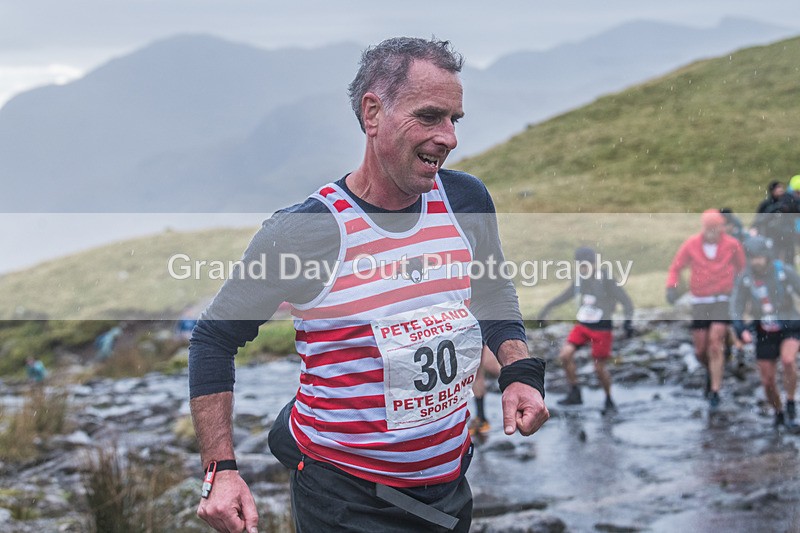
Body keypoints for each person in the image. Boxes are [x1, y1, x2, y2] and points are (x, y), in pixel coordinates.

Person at [188, 37, 549, 533]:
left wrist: (519, 369)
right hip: (344, 498)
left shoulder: (466, 198)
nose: (448, 137)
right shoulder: (306, 232)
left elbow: (490, 289)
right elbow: (214, 339)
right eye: (428, 117)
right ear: (373, 112)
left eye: (453, 119)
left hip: (448, 485)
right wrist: (220, 471)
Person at [537, 247, 634, 414]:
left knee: (599, 367)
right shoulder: (579, 281)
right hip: (583, 326)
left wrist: (628, 323)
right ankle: (575, 393)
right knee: (565, 355)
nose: (584, 268)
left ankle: (609, 399)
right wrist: (546, 309)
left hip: (602, 329)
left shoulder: (607, 280)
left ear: (595, 263)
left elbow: (626, 301)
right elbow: (564, 296)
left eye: (587, 265)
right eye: (581, 265)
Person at [666, 209, 746, 411]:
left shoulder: (732, 245)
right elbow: (676, 266)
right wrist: (672, 286)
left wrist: (741, 294)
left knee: (714, 343)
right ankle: (711, 370)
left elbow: (742, 269)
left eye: (716, 227)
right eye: (708, 227)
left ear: (721, 227)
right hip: (700, 301)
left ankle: (715, 391)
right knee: (700, 350)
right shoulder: (692, 244)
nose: (712, 231)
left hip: (722, 299)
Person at [730, 236, 799, 430]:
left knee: (787, 360)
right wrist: (739, 326)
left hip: (789, 326)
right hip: (763, 330)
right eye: (752, 258)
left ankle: (791, 403)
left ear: (766, 256)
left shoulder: (783, 272)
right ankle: (778, 412)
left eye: (759, 257)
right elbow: (736, 305)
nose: (756, 262)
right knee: (767, 380)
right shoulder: (745, 278)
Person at [752, 180, 798, 265]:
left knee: (789, 258)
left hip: (788, 234)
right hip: (773, 235)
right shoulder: (767, 204)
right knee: (773, 257)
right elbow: (760, 218)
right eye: (777, 188)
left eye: (781, 187)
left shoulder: (789, 200)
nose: (780, 190)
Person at [469, 345, 502, 436]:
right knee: (477, 373)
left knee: (486, 368)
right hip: (469, 336)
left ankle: (481, 419)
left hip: (474, 336)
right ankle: (481, 418)